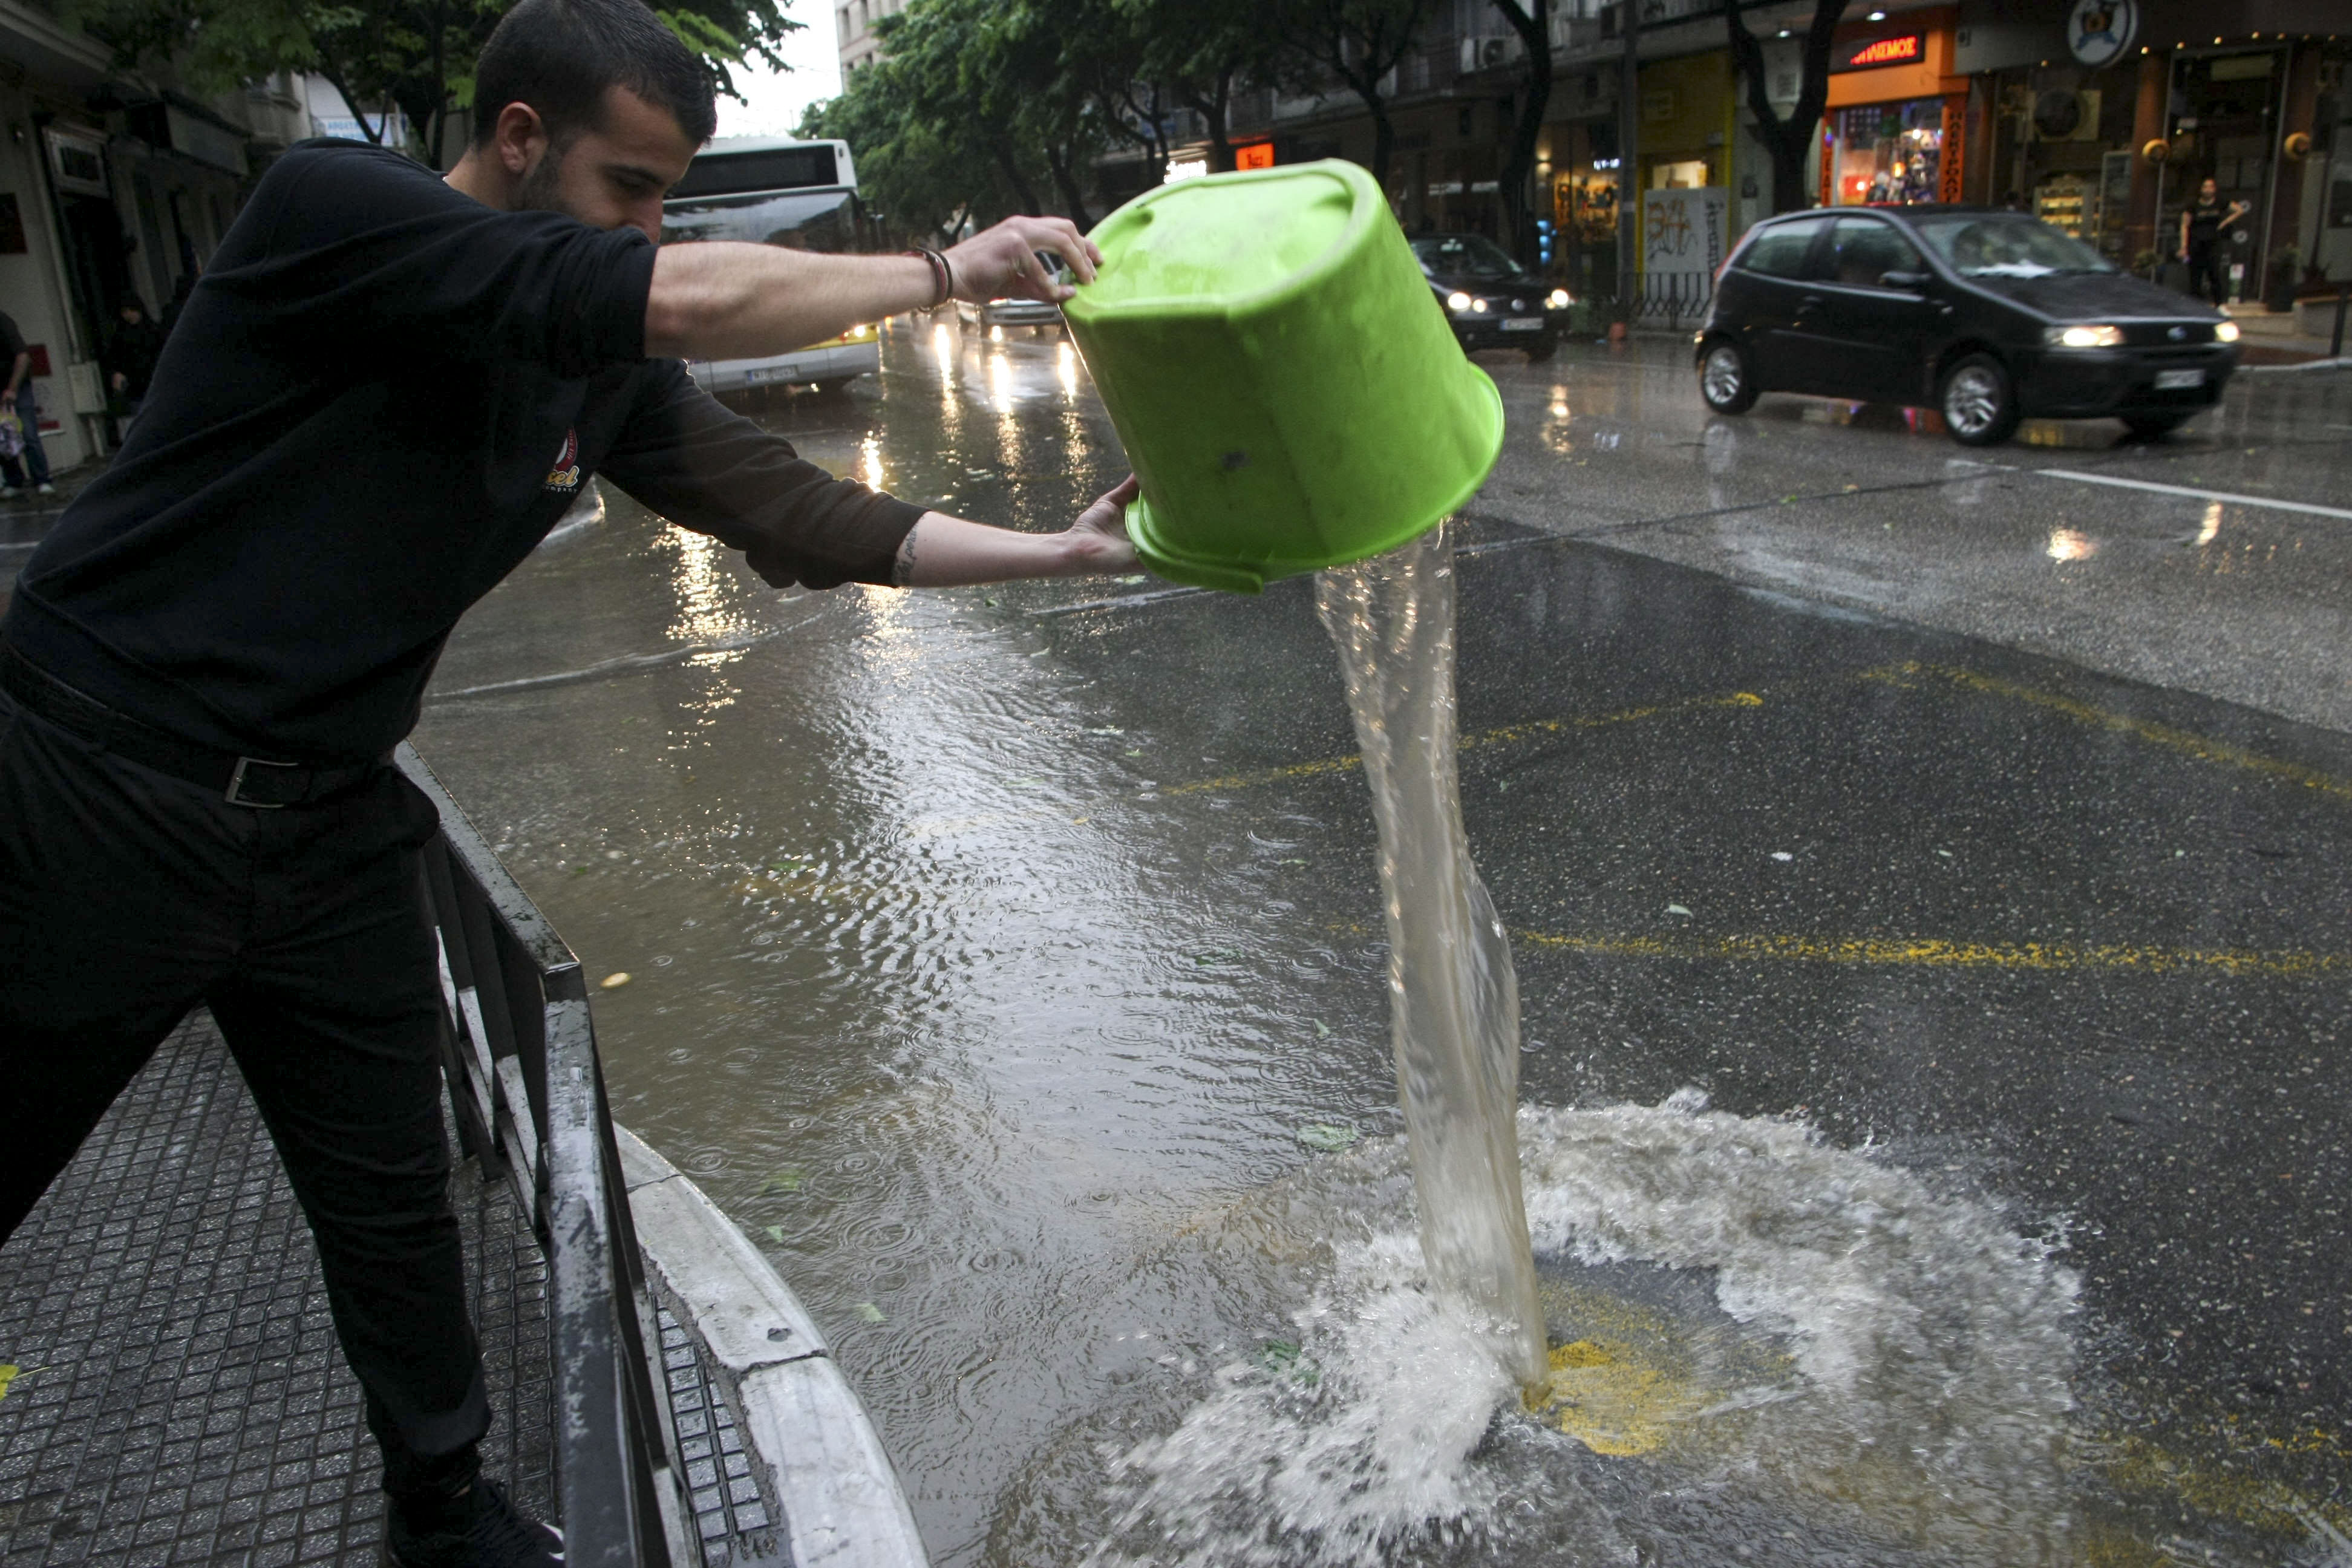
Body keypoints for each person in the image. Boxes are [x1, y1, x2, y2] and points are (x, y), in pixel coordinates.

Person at [0, 1, 1137, 1565]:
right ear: (519, 138)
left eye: (673, 195)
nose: (652, 225)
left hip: (328, 817)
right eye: (630, 186)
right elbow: (674, 296)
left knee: (393, 1196)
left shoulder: (586, 367)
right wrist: (945, 269)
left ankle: (446, 1509)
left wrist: (1062, 552)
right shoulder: (335, 213)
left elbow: (792, 510)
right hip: (96, 781)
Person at [0, 306, 54, 497]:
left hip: (17, 386)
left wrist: (12, 388)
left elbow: (22, 356)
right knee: (4, 438)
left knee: (29, 433)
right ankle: (14, 481)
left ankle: (42, 479)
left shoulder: (3, 322)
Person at [99, 295, 165, 440]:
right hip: (138, 383)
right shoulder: (124, 335)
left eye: (131, 311)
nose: (129, 315)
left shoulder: (151, 331)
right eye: (125, 312)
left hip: (147, 380)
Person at [2178, 177, 2249, 305]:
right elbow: (2184, 225)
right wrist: (2184, 246)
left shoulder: (2220, 202)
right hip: (2196, 244)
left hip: (2213, 244)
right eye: (2205, 187)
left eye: (2210, 187)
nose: (2208, 190)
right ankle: (2196, 305)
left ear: (2214, 189)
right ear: (2201, 190)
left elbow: (2239, 210)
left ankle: (2219, 304)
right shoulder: (2193, 205)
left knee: (2215, 274)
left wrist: (2225, 222)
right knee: (2196, 276)